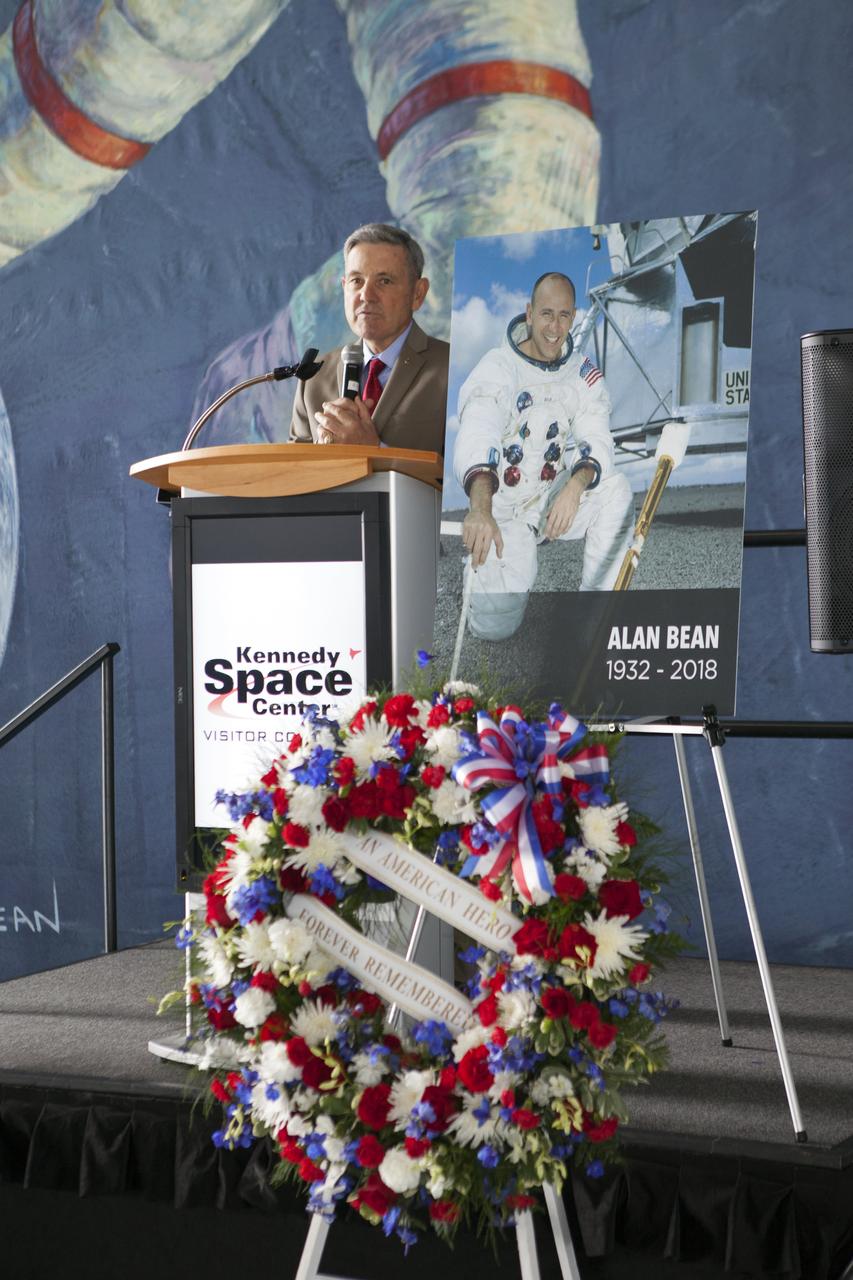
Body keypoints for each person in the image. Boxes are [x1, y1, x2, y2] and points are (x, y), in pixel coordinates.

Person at [453, 271, 634, 641]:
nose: (555, 326)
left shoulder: (581, 374)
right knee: (495, 630)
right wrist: (481, 509)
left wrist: (576, 485)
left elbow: (596, 435)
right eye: (547, 314)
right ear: (529, 313)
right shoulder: (497, 368)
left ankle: (595, 618)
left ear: (574, 317)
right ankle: (480, 576)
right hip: (503, 512)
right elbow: (479, 431)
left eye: (565, 315)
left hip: (550, 502)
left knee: (616, 490)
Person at [290, 223, 449, 453]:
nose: (366, 295)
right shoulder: (313, 378)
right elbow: (293, 474)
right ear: (345, 288)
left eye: (384, 281)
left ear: (418, 293)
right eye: (356, 280)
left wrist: (374, 450)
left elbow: (462, 482)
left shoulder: (453, 370)